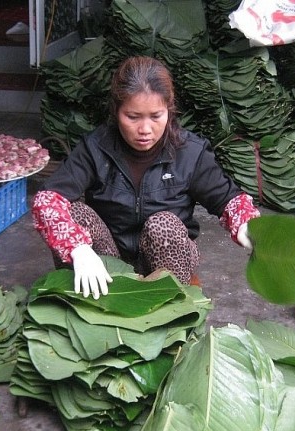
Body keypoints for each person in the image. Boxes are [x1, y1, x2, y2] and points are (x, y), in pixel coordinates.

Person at [31, 55, 260, 299]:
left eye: (156, 116)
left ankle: (168, 302)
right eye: (133, 117)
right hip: (110, 261)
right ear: (116, 111)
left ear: (169, 110)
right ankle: (96, 297)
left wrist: (247, 226)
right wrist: (78, 249)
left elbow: (228, 199)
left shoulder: (190, 152)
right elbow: (47, 199)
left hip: (167, 258)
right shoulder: (95, 148)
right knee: (75, 213)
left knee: (164, 225)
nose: (145, 130)